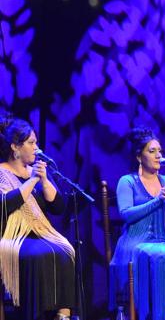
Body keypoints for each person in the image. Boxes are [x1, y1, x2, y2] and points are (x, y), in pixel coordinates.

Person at [109, 127, 165, 320]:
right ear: (139, 156)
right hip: (135, 242)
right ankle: (155, 314)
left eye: (160, 151)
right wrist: (157, 200)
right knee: (156, 255)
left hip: (162, 240)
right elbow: (126, 214)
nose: (158, 156)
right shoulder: (127, 181)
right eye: (151, 151)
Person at [0, 115, 76, 320]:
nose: (36, 147)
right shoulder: (1, 173)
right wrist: (32, 180)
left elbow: (58, 207)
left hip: (40, 233)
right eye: (31, 143)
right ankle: (34, 314)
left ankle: (63, 314)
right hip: (13, 236)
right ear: (15, 147)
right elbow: (5, 205)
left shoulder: (36, 171)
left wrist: (43, 179)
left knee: (65, 249)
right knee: (37, 254)